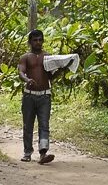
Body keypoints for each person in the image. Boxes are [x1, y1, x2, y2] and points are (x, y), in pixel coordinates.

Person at [17, 29, 74, 164]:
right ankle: (27, 153)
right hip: (29, 96)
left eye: (40, 40)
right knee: (28, 125)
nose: (38, 42)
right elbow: (21, 72)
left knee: (44, 125)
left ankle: (43, 153)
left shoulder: (48, 57)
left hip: (44, 96)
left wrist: (63, 68)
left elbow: (51, 77)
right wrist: (27, 80)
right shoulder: (25, 57)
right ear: (30, 42)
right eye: (35, 40)